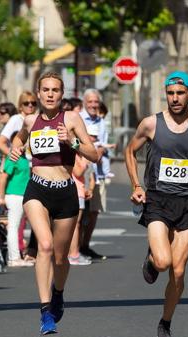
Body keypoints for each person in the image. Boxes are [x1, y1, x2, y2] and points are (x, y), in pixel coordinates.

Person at [124, 71, 188, 337]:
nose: (176, 98)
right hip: (157, 200)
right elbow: (129, 151)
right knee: (164, 262)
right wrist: (136, 185)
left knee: (178, 272)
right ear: (165, 95)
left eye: (181, 93)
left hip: (186, 204)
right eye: (171, 93)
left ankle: (165, 324)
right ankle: (152, 259)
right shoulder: (151, 124)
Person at [10, 72, 98, 335]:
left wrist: (71, 142)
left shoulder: (71, 119)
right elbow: (18, 138)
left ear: (62, 94)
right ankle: (45, 310)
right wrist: (16, 148)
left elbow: (93, 153)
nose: (50, 94)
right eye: (45, 90)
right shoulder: (29, 119)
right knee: (45, 246)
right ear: (38, 93)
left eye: (55, 90)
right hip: (37, 189)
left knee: (60, 258)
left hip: (65, 191)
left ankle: (58, 293)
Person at [79, 89, 108, 260]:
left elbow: (103, 144)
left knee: (94, 211)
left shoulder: (101, 121)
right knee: (81, 212)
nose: (93, 105)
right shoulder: (79, 119)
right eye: (90, 102)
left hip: (99, 172)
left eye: (96, 102)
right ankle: (75, 248)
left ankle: (85, 245)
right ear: (84, 102)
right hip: (83, 171)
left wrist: (101, 149)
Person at [0, 131, 33, 267]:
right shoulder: (13, 157)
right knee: (13, 227)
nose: (23, 144)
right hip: (14, 195)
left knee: (17, 227)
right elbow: (3, 177)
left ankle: (17, 256)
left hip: (22, 195)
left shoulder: (24, 158)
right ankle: (14, 258)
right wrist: (1, 197)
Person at [0, 91, 38, 156]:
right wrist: (14, 157)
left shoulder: (36, 119)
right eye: (26, 103)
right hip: (18, 163)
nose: (30, 105)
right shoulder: (16, 119)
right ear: (20, 106)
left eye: (33, 103)